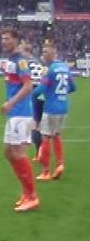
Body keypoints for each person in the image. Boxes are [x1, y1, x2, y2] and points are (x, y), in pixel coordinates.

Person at [0, 28, 40, 212]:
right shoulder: (11, 60)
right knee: (8, 152)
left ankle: (32, 196)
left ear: (16, 40)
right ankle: (26, 192)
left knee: (18, 152)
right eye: (2, 39)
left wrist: (11, 102)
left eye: (7, 39)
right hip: (14, 113)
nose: (3, 42)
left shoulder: (21, 60)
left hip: (21, 112)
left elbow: (28, 86)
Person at [36, 39, 76, 181]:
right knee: (57, 135)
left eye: (46, 52)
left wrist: (30, 96)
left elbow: (40, 89)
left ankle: (45, 171)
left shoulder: (50, 69)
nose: (43, 54)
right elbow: (73, 87)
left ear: (53, 52)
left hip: (51, 108)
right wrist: (61, 93)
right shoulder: (64, 67)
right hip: (63, 107)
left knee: (45, 137)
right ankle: (60, 164)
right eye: (43, 52)